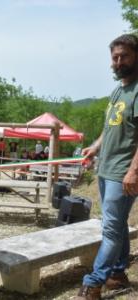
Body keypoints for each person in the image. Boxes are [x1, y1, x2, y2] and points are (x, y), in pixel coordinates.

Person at [76, 34, 138, 300]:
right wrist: (95, 147)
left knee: (110, 230)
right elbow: (109, 128)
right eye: (114, 57)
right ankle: (118, 273)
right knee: (117, 225)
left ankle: (93, 283)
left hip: (124, 171)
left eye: (124, 56)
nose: (118, 61)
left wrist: (134, 171)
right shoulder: (118, 90)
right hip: (106, 169)